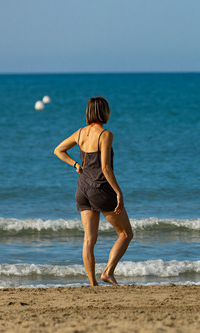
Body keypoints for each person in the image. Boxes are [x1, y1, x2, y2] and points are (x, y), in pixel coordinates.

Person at [54, 97, 133, 286]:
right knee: (125, 234)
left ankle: (92, 283)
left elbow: (58, 150)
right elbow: (105, 167)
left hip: (82, 189)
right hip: (101, 189)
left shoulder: (80, 133)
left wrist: (75, 164)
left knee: (89, 239)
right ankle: (108, 272)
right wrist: (118, 192)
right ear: (104, 112)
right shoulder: (105, 134)